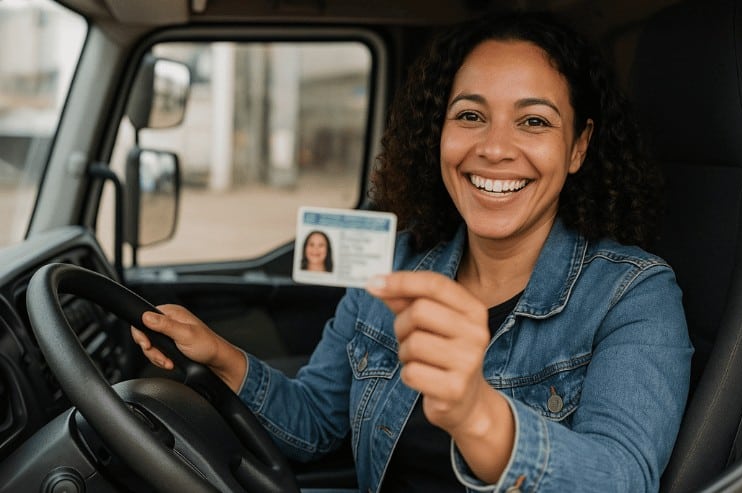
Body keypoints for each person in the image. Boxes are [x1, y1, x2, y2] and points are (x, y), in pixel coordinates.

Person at [131, 11, 693, 492]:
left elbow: (624, 476)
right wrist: (219, 357)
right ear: (440, 133)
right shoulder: (396, 264)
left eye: (534, 122)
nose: (494, 148)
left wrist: (478, 414)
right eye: (470, 115)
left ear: (578, 147)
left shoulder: (633, 294)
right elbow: (316, 426)